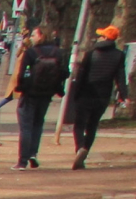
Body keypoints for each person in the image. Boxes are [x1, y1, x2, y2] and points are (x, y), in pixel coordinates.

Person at [64, 24, 128, 166]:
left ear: (105, 38)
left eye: (101, 35)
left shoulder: (91, 54)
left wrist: (76, 93)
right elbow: (120, 77)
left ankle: (80, 147)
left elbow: (81, 75)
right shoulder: (119, 55)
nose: (98, 38)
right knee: (92, 125)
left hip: (86, 93)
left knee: (79, 125)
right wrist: (124, 95)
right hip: (103, 96)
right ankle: (85, 150)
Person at [11, 23, 67, 167]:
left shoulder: (31, 52)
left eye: (34, 35)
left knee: (26, 126)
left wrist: (21, 87)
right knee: (38, 124)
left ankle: (22, 161)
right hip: (47, 94)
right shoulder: (59, 52)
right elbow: (65, 73)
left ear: (41, 35)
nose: (32, 38)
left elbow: (23, 73)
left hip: (30, 93)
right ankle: (33, 153)